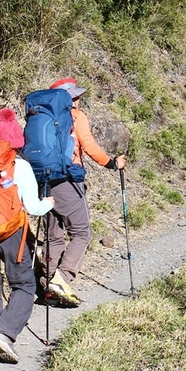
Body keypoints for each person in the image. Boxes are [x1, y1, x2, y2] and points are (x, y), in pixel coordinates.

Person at [42, 77, 126, 307]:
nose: (79, 100)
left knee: (53, 236)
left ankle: (49, 286)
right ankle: (63, 279)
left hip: (43, 182)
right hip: (67, 181)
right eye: (75, 96)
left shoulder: (40, 117)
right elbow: (88, 146)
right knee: (82, 233)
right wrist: (112, 163)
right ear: (68, 98)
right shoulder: (75, 117)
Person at [0, 146, 54, 364]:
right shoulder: (20, 165)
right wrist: (48, 203)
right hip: (11, 233)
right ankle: (4, 334)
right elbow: (33, 208)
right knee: (24, 286)